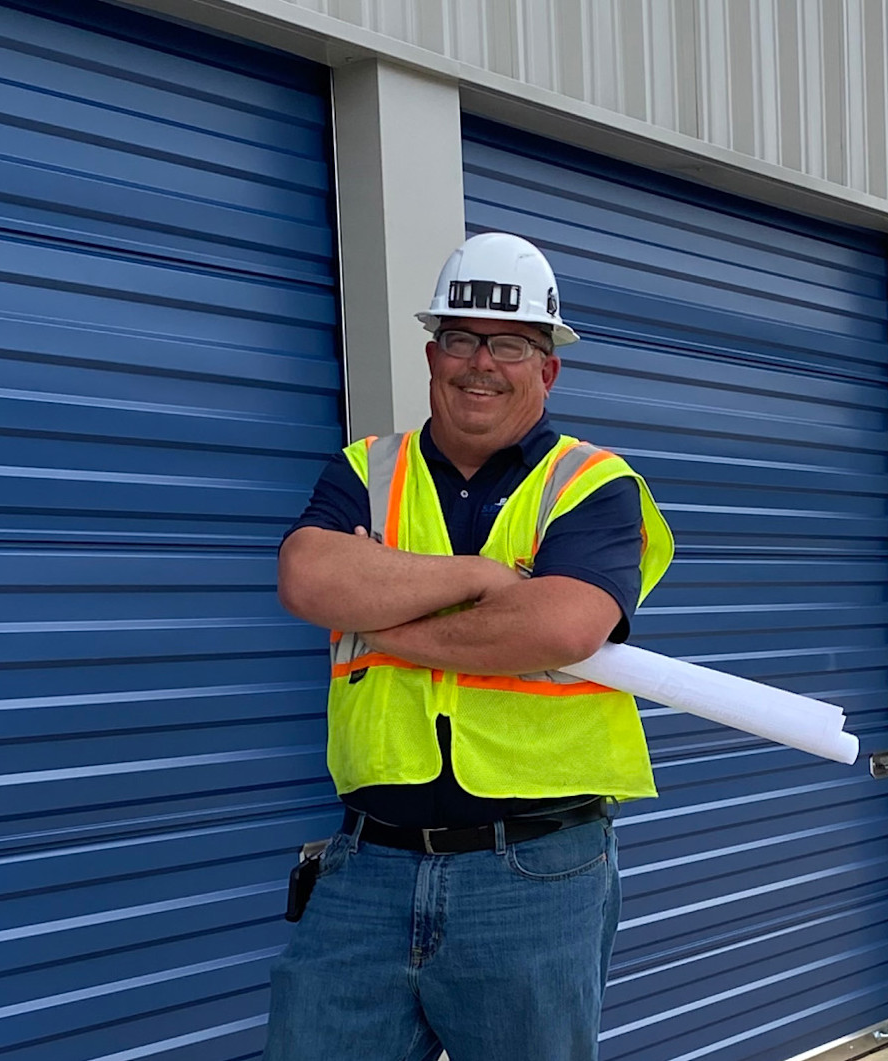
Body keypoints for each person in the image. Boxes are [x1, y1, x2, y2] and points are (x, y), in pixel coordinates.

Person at [262, 232, 675, 1061]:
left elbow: (562, 623)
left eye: (511, 345)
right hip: (365, 867)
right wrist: (482, 576)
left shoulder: (594, 485)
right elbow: (308, 577)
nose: (480, 364)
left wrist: (381, 606)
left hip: (534, 874)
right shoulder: (366, 469)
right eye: (461, 338)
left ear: (547, 368)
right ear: (431, 352)